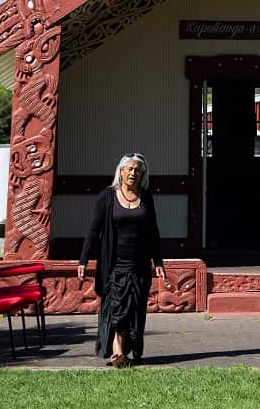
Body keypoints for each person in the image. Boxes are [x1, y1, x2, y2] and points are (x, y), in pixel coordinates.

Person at [78, 152, 166, 367]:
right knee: (116, 306)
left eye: (138, 170)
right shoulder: (106, 197)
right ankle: (116, 350)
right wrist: (83, 260)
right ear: (121, 171)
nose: (133, 173)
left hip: (139, 263)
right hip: (114, 263)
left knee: (133, 308)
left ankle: (123, 352)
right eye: (130, 169)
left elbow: (153, 231)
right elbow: (94, 230)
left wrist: (158, 261)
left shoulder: (146, 197)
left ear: (142, 174)